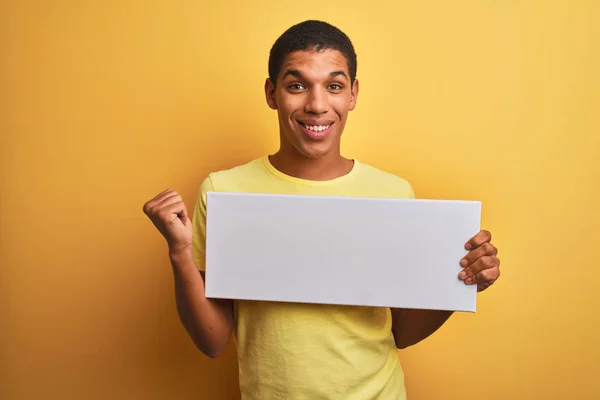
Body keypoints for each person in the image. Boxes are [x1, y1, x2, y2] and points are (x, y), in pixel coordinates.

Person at [143, 20, 501, 400]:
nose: (316, 105)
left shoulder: (392, 193)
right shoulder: (224, 191)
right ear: (271, 92)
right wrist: (180, 252)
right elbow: (212, 340)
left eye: (334, 86)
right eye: (297, 85)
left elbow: (402, 332)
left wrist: (461, 283)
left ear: (352, 94)